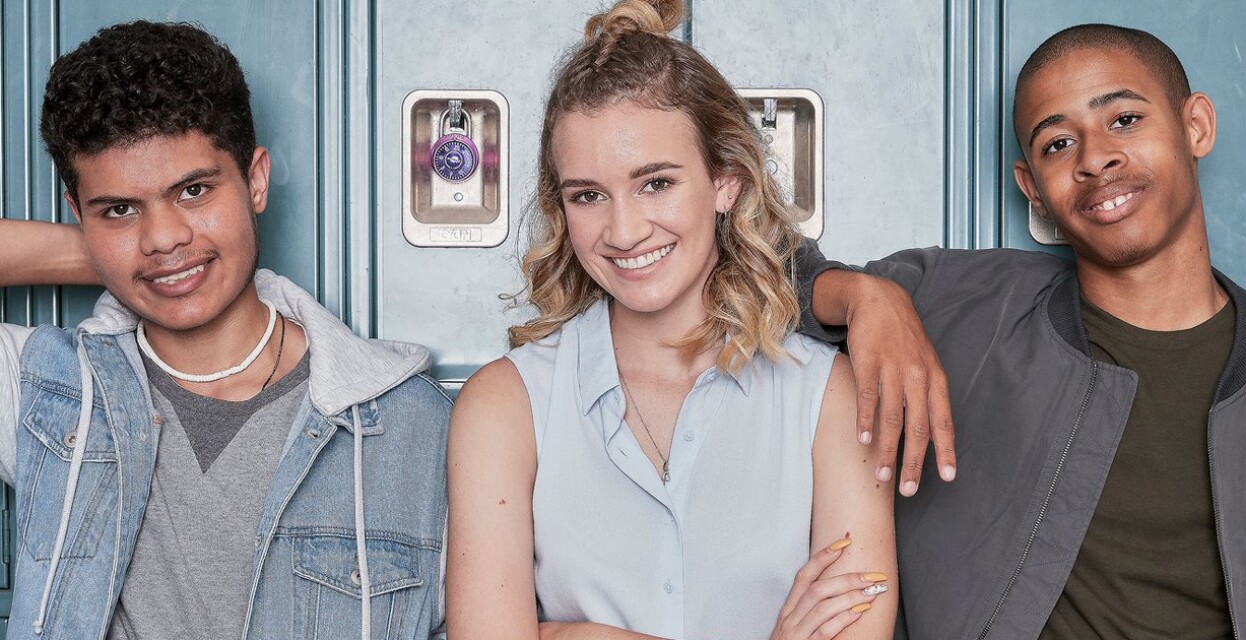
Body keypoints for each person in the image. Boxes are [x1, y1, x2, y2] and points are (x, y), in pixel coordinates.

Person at [796, 23, 1246, 640]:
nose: (1096, 158)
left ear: (1195, 126)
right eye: (1056, 144)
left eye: (1123, 119)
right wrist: (861, 295)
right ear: (1033, 190)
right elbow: (740, 270)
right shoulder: (957, 306)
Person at [444, 1, 896, 639]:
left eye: (655, 183)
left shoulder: (828, 397)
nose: (624, 231)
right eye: (588, 195)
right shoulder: (503, 406)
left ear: (725, 184)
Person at [0, 21, 448, 639]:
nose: (162, 236)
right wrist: (111, 257)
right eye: (120, 209)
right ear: (79, 215)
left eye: (193, 191)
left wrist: (134, 252)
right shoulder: (49, 393)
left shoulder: (411, 424)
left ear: (255, 180)